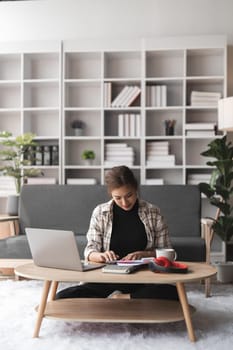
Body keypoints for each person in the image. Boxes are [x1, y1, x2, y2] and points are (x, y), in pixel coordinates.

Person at [56, 165, 178, 300]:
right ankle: (132, 300)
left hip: (142, 279)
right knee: (62, 297)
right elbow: (90, 251)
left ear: (136, 189)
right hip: (107, 277)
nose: (125, 203)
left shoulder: (153, 212)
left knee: (174, 293)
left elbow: (167, 252)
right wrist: (102, 256)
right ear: (111, 194)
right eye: (118, 198)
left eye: (129, 195)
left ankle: (123, 298)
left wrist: (144, 254)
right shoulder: (100, 212)